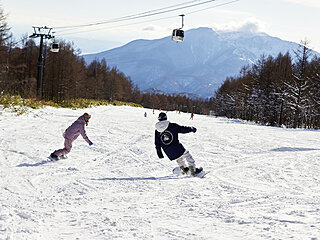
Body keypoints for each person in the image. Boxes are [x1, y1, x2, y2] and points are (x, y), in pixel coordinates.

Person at [154, 112, 202, 176]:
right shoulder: (172, 126)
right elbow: (183, 129)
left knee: (178, 158)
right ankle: (193, 170)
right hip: (177, 147)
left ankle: (184, 169)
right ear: (166, 118)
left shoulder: (157, 131)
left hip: (168, 152)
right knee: (187, 156)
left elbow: (157, 143)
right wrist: (191, 129)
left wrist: (160, 154)